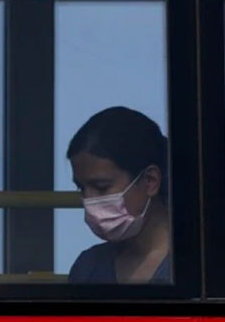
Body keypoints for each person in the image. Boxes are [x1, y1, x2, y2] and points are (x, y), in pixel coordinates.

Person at [66, 107, 170, 284]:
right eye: (81, 188)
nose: (89, 202)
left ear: (150, 181)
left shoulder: (200, 269)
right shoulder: (88, 267)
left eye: (101, 187)